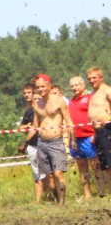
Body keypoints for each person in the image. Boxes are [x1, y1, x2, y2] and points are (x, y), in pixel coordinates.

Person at [32, 74, 74, 205]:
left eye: (42, 86)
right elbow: (35, 125)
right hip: (42, 142)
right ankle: (57, 200)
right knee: (48, 176)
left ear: (49, 86)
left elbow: (69, 121)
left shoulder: (59, 101)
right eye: (38, 87)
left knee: (58, 173)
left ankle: (62, 203)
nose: (40, 89)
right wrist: (25, 141)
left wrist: (72, 140)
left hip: (56, 141)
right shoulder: (37, 104)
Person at [68, 75, 96, 201]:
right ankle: (87, 194)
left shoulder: (90, 97)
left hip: (89, 136)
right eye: (72, 86)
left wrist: (95, 133)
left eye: (76, 85)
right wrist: (70, 139)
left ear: (83, 84)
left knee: (96, 166)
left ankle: (103, 191)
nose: (74, 88)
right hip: (76, 138)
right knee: (82, 168)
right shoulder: (71, 101)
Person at [18, 82, 47, 203]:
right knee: (37, 174)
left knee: (48, 173)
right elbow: (21, 127)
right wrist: (27, 126)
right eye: (24, 93)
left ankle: (51, 196)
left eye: (29, 92)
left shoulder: (44, 107)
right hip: (32, 144)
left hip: (44, 142)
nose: (26, 95)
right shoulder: (28, 111)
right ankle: (38, 201)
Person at [88, 67, 111, 197]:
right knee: (106, 166)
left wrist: (109, 117)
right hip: (99, 133)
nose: (91, 80)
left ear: (101, 78)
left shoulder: (106, 90)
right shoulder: (93, 93)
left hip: (108, 130)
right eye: (89, 78)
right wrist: (94, 133)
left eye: (94, 78)